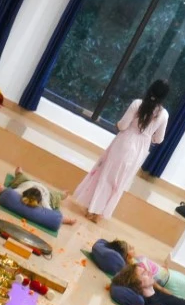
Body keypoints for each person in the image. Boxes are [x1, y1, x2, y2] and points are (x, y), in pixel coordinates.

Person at [72, 80, 170, 222]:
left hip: (125, 140)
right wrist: (149, 136)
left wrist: (119, 125)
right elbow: (159, 139)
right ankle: (100, 214)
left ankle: (91, 208)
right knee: (120, 181)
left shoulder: (137, 104)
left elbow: (123, 125)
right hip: (141, 148)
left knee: (106, 174)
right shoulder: (164, 115)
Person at [0, 170, 81, 226]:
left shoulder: (42, 201)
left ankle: (62, 194)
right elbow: (59, 218)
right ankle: (19, 172)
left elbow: (0, 188)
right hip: (30, 184)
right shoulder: (20, 192)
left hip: (43, 191)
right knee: (20, 177)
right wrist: (70, 221)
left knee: (56, 196)